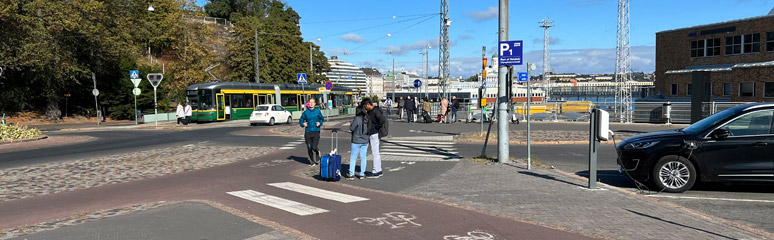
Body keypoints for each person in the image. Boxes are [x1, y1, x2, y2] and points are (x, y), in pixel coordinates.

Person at [362, 98, 386, 178]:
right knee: (376, 152)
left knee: (375, 152)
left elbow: (382, 119)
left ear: (368, 104)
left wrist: (376, 126)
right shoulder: (374, 110)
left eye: (365, 106)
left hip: (374, 133)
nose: (365, 108)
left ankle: (376, 171)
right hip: (374, 132)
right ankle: (378, 170)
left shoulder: (375, 111)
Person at [346, 106, 370, 181]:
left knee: (353, 158)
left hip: (356, 140)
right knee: (363, 157)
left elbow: (352, 128)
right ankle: (362, 174)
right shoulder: (367, 118)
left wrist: (351, 124)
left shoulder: (357, 118)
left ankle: (351, 174)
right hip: (365, 140)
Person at [299, 98, 324, 166]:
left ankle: (317, 152)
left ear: (315, 103)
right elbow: (301, 119)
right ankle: (312, 161)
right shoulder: (306, 112)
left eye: (313, 102)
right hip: (308, 132)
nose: (311, 104)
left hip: (316, 131)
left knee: (314, 146)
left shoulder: (317, 111)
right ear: (308, 103)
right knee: (309, 147)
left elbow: (322, 118)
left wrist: (320, 123)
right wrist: (303, 124)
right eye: (310, 102)